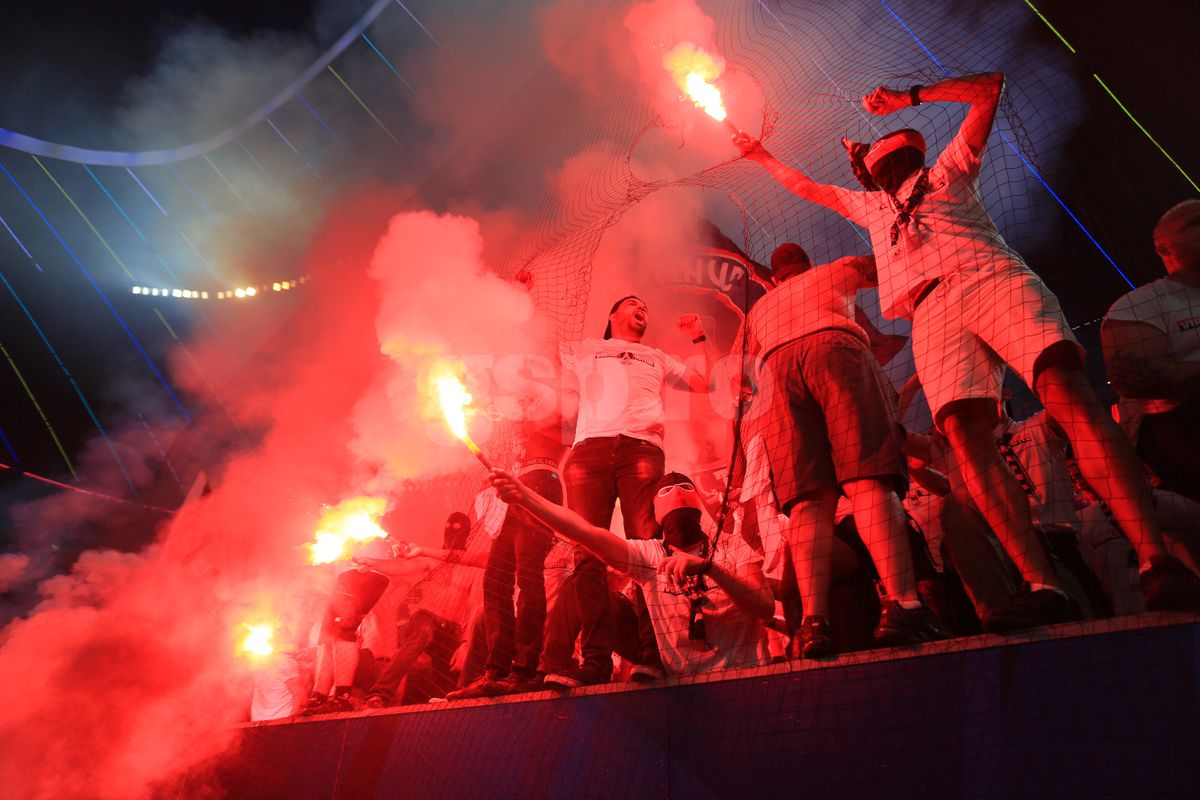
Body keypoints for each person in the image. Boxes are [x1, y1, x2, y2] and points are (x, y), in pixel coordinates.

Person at [734, 71, 1200, 619]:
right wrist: (760, 153)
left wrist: (907, 98)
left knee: (1063, 391)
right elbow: (805, 188)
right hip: (927, 311)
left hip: (988, 276)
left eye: (891, 140)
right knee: (963, 434)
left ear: (912, 149)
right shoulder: (872, 207)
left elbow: (990, 88)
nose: (880, 148)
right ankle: (1041, 585)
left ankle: (1154, 560)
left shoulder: (950, 167)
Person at [736, 243, 948, 657]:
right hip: (834, 347)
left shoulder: (760, 309)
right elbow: (883, 268)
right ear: (808, 263)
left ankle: (814, 623)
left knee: (807, 502)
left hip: (777, 369)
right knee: (867, 481)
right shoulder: (834, 268)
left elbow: (742, 365)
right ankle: (904, 603)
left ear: (776, 277)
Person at [547, 295, 712, 687]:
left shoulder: (655, 355)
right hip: (591, 451)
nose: (643, 309)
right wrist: (524, 295)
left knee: (649, 550)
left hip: (642, 449)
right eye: (634, 304)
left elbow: (703, 383)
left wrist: (699, 338)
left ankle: (650, 655)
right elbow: (541, 343)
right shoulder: (588, 348)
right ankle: (594, 662)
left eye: (646, 306)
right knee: (586, 554)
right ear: (613, 315)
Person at [489, 468, 772, 676]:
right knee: (586, 584)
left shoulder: (732, 548)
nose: (676, 499)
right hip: (682, 688)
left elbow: (764, 607)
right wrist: (523, 496)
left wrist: (709, 568)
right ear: (660, 519)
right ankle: (557, 668)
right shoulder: (650, 556)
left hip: (743, 676)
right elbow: (584, 531)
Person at [446, 270, 570, 700]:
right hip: (516, 490)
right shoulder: (527, 403)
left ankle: (526, 667)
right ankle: (497, 672)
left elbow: (536, 352)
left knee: (527, 576)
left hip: (542, 485)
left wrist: (522, 299)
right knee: (497, 580)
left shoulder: (559, 401)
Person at [1103, 199, 1200, 506]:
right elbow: (1135, 378)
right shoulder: (1140, 304)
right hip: (1183, 425)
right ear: (1164, 249)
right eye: (1196, 224)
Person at [356, 512, 483, 708]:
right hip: (426, 618)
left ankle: (451, 703)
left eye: (458, 530)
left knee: (453, 672)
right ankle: (379, 694)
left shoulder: (473, 569)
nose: (452, 535)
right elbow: (401, 567)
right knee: (421, 633)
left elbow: (474, 607)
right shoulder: (431, 560)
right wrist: (375, 564)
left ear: (467, 533)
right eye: (449, 529)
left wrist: (466, 643)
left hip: (451, 629)